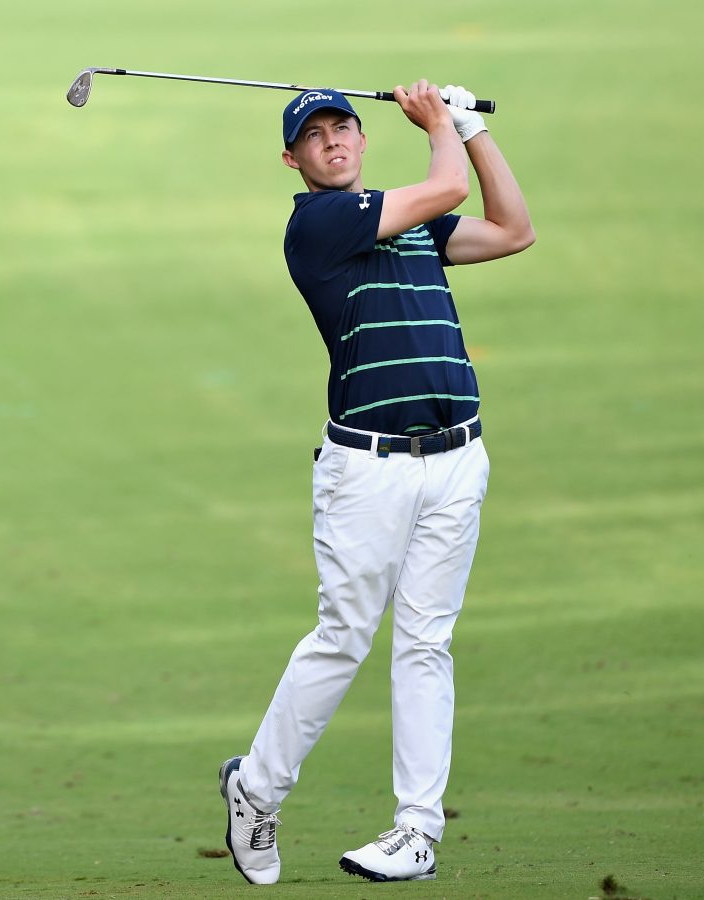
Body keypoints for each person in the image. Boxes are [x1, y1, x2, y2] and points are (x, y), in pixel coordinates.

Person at [219, 79, 535, 884]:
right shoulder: (317, 226)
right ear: (292, 159)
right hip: (367, 469)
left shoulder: (415, 224)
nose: (333, 142)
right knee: (344, 637)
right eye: (314, 135)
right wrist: (442, 128)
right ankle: (256, 790)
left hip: (458, 460)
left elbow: (511, 230)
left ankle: (417, 832)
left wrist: (472, 130)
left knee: (428, 642)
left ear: (363, 139)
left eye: (344, 128)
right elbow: (449, 185)